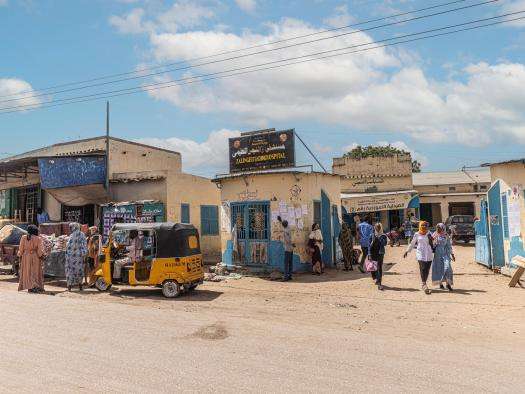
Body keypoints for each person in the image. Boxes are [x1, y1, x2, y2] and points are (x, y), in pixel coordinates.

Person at [404, 221, 434, 295]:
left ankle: (424, 282)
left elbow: (434, 242)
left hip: (429, 254)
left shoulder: (429, 233)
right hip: (420, 253)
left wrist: (432, 240)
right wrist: (407, 251)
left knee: (427, 269)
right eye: (422, 225)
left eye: (425, 225)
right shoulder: (417, 234)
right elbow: (412, 243)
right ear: (420, 226)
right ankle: (424, 284)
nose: (424, 227)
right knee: (423, 267)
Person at [17, 225, 45, 293]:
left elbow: (21, 249)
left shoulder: (23, 237)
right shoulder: (38, 239)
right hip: (35, 257)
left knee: (27, 272)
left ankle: (29, 286)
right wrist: (42, 256)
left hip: (26, 257)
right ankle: (34, 286)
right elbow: (40, 251)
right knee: (35, 272)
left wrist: (19, 255)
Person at [65, 222, 88, 292]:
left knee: (70, 271)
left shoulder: (72, 235)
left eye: (71, 227)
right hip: (79, 257)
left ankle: (69, 287)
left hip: (71, 257)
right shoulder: (82, 234)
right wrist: (84, 254)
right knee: (79, 270)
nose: (70, 229)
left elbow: (68, 246)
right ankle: (80, 286)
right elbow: (84, 245)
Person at [432, 223, 455, 291]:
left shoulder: (446, 235)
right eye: (438, 228)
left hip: (445, 254)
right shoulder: (434, 235)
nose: (439, 230)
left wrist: (452, 254)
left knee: (448, 268)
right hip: (437, 255)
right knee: (439, 269)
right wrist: (434, 242)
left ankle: (448, 284)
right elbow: (431, 245)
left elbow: (448, 246)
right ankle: (440, 283)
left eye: (440, 228)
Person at [369, 223, 388, 290]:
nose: (377, 228)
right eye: (376, 227)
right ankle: (375, 278)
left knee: (379, 268)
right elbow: (369, 245)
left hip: (380, 253)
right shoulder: (372, 235)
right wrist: (369, 254)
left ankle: (379, 283)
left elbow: (385, 243)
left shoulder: (383, 236)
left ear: (381, 228)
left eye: (379, 227)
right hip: (373, 253)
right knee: (373, 268)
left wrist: (379, 238)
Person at [277, 216, 295, 281]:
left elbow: (287, 240)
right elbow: (284, 225)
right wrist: (280, 220)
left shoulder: (286, 231)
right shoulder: (288, 228)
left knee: (286, 263)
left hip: (287, 249)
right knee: (290, 263)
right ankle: (290, 275)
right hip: (291, 249)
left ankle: (285, 277)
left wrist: (287, 242)